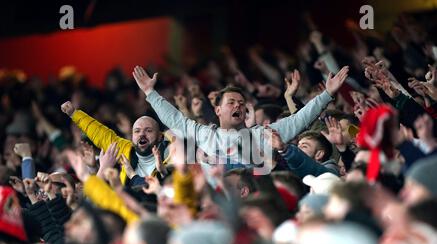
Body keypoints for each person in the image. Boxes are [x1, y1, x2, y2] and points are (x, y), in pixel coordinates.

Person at [132, 65, 349, 172]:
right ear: (217, 110)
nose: (238, 105)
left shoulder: (262, 135)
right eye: (231, 102)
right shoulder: (203, 134)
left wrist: (326, 95)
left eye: (242, 103)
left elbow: (299, 119)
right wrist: (151, 94)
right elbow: (175, 119)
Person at [60, 101, 171, 186]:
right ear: (132, 137)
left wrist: (163, 172)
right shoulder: (125, 150)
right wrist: (74, 114)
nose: (142, 134)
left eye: (148, 130)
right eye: (137, 131)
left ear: (160, 136)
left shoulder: (171, 153)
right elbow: (101, 134)